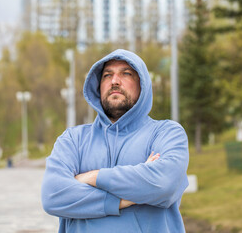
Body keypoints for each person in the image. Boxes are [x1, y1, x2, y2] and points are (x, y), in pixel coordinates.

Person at [41, 49, 189, 233]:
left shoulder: (166, 133)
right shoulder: (73, 140)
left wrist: (91, 177)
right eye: (107, 75)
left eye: (126, 74)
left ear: (142, 84)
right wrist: (124, 199)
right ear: (98, 86)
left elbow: (163, 184)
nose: (115, 81)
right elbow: (53, 195)